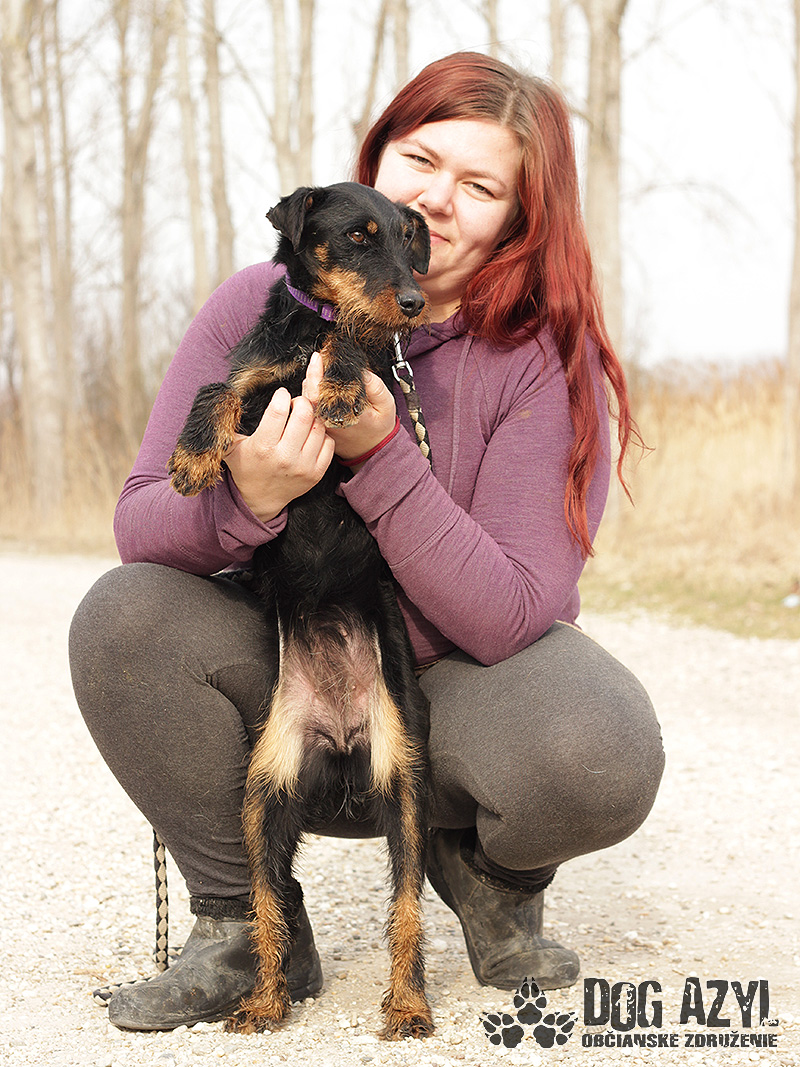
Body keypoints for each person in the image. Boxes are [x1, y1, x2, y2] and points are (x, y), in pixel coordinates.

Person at [69, 51, 665, 1031]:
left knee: (597, 746)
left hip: (454, 693)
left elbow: (514, 611)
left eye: (480, 187)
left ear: (518, 219)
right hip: (288, 662)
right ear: (379, 154)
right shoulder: (255, 304)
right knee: (122, 614)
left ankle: (485, 872)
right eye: (420, 159)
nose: (435, 198)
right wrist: (249, 497)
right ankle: (242, 921)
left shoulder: (537, 358)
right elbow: (142, 519)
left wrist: (381, 452)